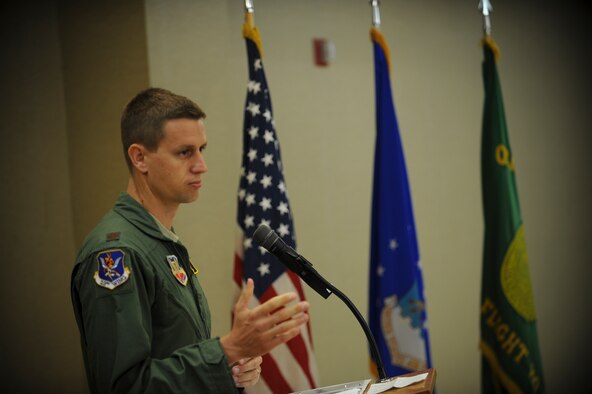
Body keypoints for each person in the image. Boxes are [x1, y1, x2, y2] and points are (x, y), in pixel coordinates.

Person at [70, 87, 310, 393]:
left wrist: (228, 370)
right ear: (140, 157)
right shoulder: (117, 252)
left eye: (201, 149)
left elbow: (174, 352)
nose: (201, 165)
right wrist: (225, 352)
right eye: (185, 152)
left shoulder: (158, 238)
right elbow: (125, 387)